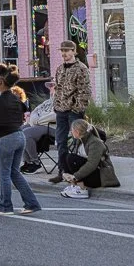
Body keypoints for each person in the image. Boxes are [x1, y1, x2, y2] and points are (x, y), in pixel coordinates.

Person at [0, 63, 41, 214]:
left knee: (4, 173)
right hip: (19, 136)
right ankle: (31, 203)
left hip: (5, 138)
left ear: (2, 82)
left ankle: (5, 205)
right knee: (14, 172)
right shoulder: (16, 99)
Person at [49, 40, 91, 185]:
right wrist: (56, 105)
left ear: (74, 51)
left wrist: (77, 108)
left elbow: (85, 91)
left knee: (76, 142)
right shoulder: (60, 68)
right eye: (62, 51)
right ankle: (62, 171)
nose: (64, 53)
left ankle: (76, 173)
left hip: (73, 111)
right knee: (61, 142)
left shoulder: (81, 68)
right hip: (61, 110)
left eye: (67, 51)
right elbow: (58, 88)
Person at [61, 119, 121, 199]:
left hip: (100, 177)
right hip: (90, 174)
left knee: (72, 158)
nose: (71, 132)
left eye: (72, 130)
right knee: (64, 155)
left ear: (77, 131)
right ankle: (74, 186)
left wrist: (75, 176)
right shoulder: (80, 140)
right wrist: (65, 174)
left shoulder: (95, 143)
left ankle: (82, 189)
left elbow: (92, 164)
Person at [21, 97, 55, 174]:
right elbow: (34, 112)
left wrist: (37, 120)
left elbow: (54, 116)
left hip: (52, 127)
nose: (51, 88)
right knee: (18, 132)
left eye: (52, 85)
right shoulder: (47, 101)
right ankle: (27, 161)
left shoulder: (61, 101)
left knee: (26, 133)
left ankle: (36, 163)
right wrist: (35, 119)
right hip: (39, 124)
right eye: (49, 86)